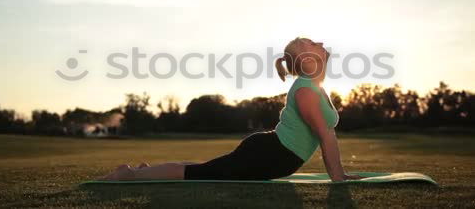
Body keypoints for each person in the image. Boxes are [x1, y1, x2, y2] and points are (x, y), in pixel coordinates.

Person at [98, 37, 363, 182]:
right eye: (310, 42)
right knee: (202, 173)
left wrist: (339, 173)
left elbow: (327, 131)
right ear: (306, 60)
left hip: (273, 154)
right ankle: (130, 175)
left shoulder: (314, 85)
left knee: (208, 169)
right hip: (271, 155)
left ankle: (146, 171)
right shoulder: (306, 91)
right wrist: (338, 175)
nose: (318, 41)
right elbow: (326, 135)